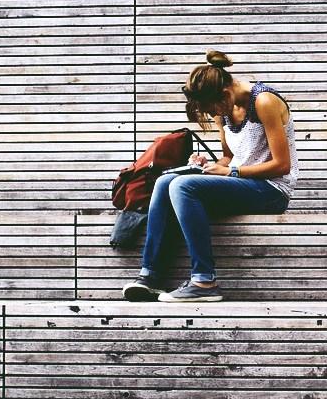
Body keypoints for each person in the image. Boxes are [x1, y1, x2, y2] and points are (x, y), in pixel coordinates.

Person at [121, 50, 298, 303]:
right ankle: (150, 276)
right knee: (164, 182)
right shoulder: (222, 110)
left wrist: (231, 171)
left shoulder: (264, 102)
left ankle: (204, 280)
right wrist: (207, 164)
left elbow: (282, 165)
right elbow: (228, 158)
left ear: (224, 94)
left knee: (183, 186)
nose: (213, 113)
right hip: (241, 184)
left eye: (212, 107)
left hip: (271, 190)